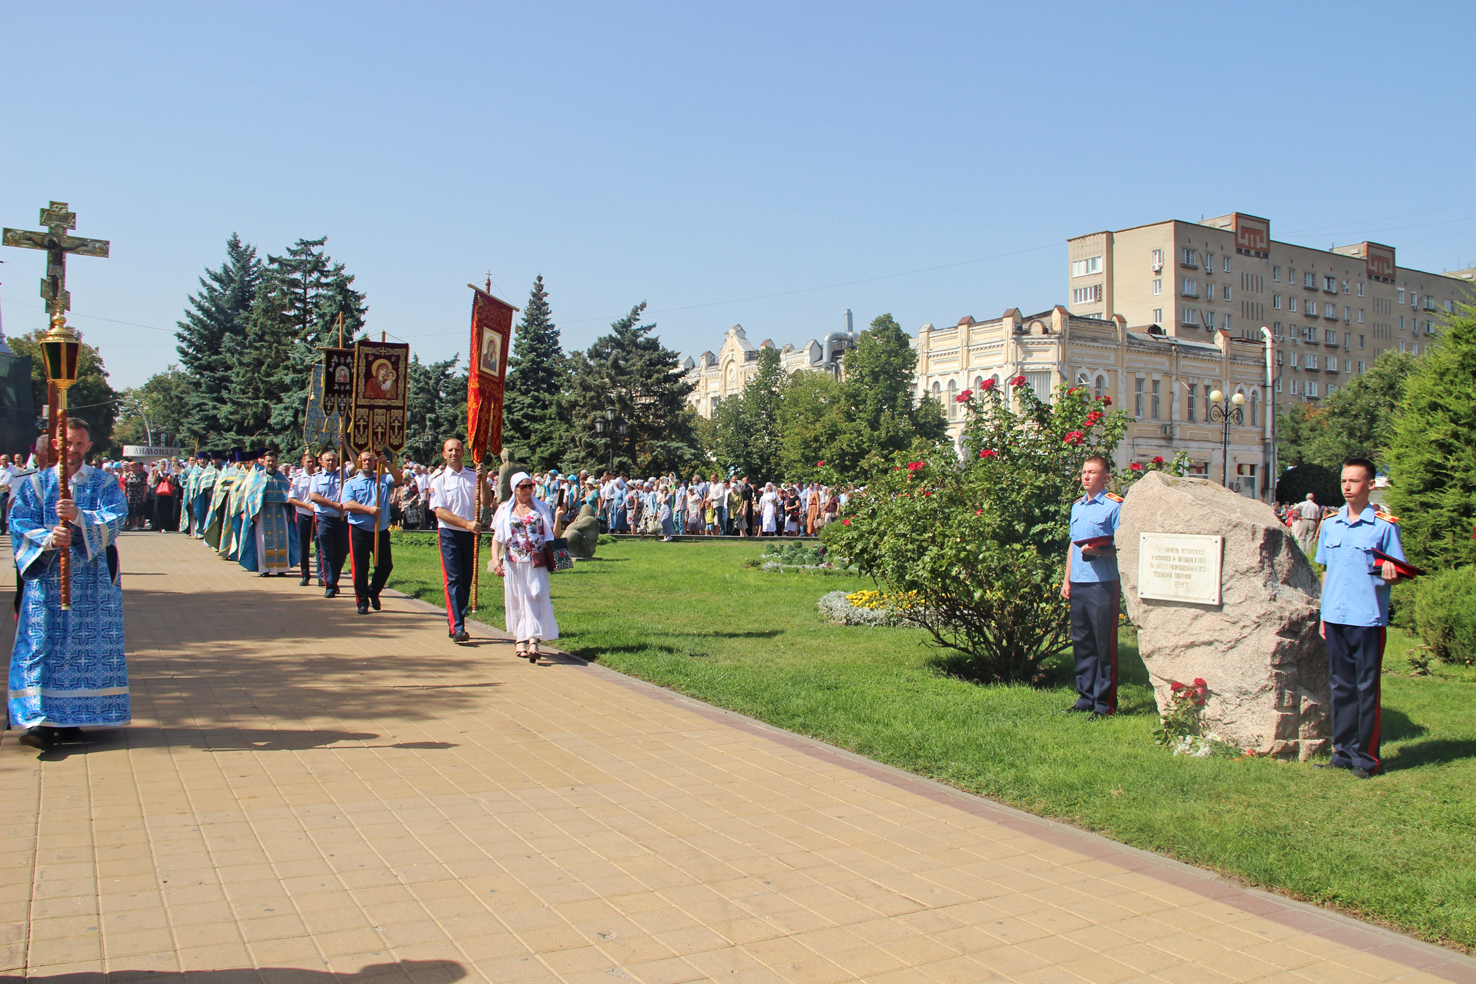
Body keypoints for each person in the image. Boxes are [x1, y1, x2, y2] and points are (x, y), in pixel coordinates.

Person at [8, 418, 129, 750]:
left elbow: (117, 516)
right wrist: (48, 538)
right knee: (41, 643)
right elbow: (18, 522)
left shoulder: (104, 482)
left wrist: (78, 518)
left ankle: (74, 717)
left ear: (88, 447)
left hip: (91, 583)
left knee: (84, 648)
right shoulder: (36, 484)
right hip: (47, 579)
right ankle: (39, 719)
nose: (73, 449)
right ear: (55, 444)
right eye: (68, 443)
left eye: (79, 444)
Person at [1314, 458, 1407, 778]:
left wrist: (1392, 574)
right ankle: (1343, 751)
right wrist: (1324, 614)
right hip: (1337, 616)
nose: (1348, 487)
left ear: (1370, 485)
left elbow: (1396, 572)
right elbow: (1326, 570)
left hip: (1367, 618)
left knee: (1366, 688)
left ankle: (1366, 757)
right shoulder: (1330, 524)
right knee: (1340, 686)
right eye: (1344, 481)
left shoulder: (1384, 526)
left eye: (1354, 481)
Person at [1061, 455, 1122, 719]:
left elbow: (1121, 546)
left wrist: (1099, 552)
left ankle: (1104, 703)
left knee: (1103, 645)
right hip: (1079, 583)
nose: (1086, 476)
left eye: (1092, 472)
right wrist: (1067, 580)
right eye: (1084, 472)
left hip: (1102, 584)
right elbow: (1072, 547)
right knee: (1082, 642)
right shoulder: (1078, 507)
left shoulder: (1114, 506)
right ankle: (1085, 697)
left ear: (1105, 477)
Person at [491, 471, 560, 661]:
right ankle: (520, 638)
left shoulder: (541, 507)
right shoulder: (505, 509)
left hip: (536, 561)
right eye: (524, 487)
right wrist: (496, 561)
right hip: (513, 561)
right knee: (517, 598)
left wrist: (559, 516)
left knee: (536, 595)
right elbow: (497, 538)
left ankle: (534, 639)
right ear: (515, 488)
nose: (528, 490)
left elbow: (552, 535)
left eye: (531, 486)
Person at [430, 437, 482, 642]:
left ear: (463, 453)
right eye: (450, 450)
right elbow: (440, 512)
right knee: (453, 579)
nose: (454, 453)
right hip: (450, 534)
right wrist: (466, 524)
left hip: (470, 535)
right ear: (444, 454)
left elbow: (486, 501)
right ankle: (457, 626)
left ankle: (457, 620)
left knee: (466, 580)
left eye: (458, 449)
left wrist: (483, 479)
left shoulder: (473, 476)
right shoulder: (439, 480)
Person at [343, 449, 402, 614]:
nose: (368, 463)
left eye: (370, 460)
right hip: (360, 530)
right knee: (360, 567)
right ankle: (362, 601)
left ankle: (373, 591)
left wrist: (386, 463)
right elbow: (347, 504)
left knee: (385, 565)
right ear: (360, 463)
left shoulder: (383, 480)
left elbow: (398, 478)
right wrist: (368, 509)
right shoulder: (351, 483)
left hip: (381, 530)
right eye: (364, 460)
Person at [239, 449, 299, 577]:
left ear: (277, 462)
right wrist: (253, 513)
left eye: (273, 461)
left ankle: (281, 568)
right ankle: (264, 568)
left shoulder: (282, 478)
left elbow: (289, 497)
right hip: (263, 512)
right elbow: (251, 497)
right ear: (264, 461)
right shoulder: (257, 477)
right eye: (268, 461)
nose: (270, 463)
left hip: (280, 512)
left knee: (282, 540)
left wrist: (288, 512)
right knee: (263, 540)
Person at [308, 450, 350, 598]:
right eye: (328, 460)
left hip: (342, 519)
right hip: (324, 518)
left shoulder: (344, 475)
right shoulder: (317, 477)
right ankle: (330, 585)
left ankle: (335, 578)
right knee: (326, 552)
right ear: (322, 462)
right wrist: (334, 505)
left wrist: (345, 444)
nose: (331, 463)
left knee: (342, 550)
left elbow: (357, 462)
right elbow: (314, 496)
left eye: (333, 460)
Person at [288, 451, 320, 586]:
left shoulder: (319, 477)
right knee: (304, 546)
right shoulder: (297, 478)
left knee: (320, 546)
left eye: (312, 461)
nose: (310, 464)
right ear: (303, 463)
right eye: (308, 462)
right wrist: (306, 506)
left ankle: (322, 575)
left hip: (318, 515)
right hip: (303, 514)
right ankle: (305, 574)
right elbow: (291, 498)